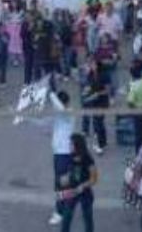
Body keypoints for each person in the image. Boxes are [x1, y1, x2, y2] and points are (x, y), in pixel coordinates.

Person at [59, 133, 98, 232]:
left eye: (71, 144)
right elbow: (69, 173)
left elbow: (94, 178)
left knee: (87, 217)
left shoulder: (87, 158)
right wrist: (65, 179)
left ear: (77, 145)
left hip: (85, 191)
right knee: (66, 216)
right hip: (72, 190)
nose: (69, 146)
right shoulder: (70, 156)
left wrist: (83, 186)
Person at [48, 90, 75, 226]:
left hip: (65, 155)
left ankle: (60, 212)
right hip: (58, 154)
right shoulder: (57, 115)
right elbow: (42, 123)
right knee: (62, 183)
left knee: (62, 184)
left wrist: (50, 93)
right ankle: (65, 207)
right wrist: (23, 117)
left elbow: (61, 109)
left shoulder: (68, 113)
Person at [81, 59, 109, 155]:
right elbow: (89, 86)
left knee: (98, 122)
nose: (91, 66)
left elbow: (107, 90)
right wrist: (86, 91)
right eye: (91, 64)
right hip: (93, 101)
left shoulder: (104, 75)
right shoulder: (91, 75)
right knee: (98, 122)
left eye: (93, 64)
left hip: (102, 102)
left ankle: (100, 144)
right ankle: (103, 142)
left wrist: (98, 93)